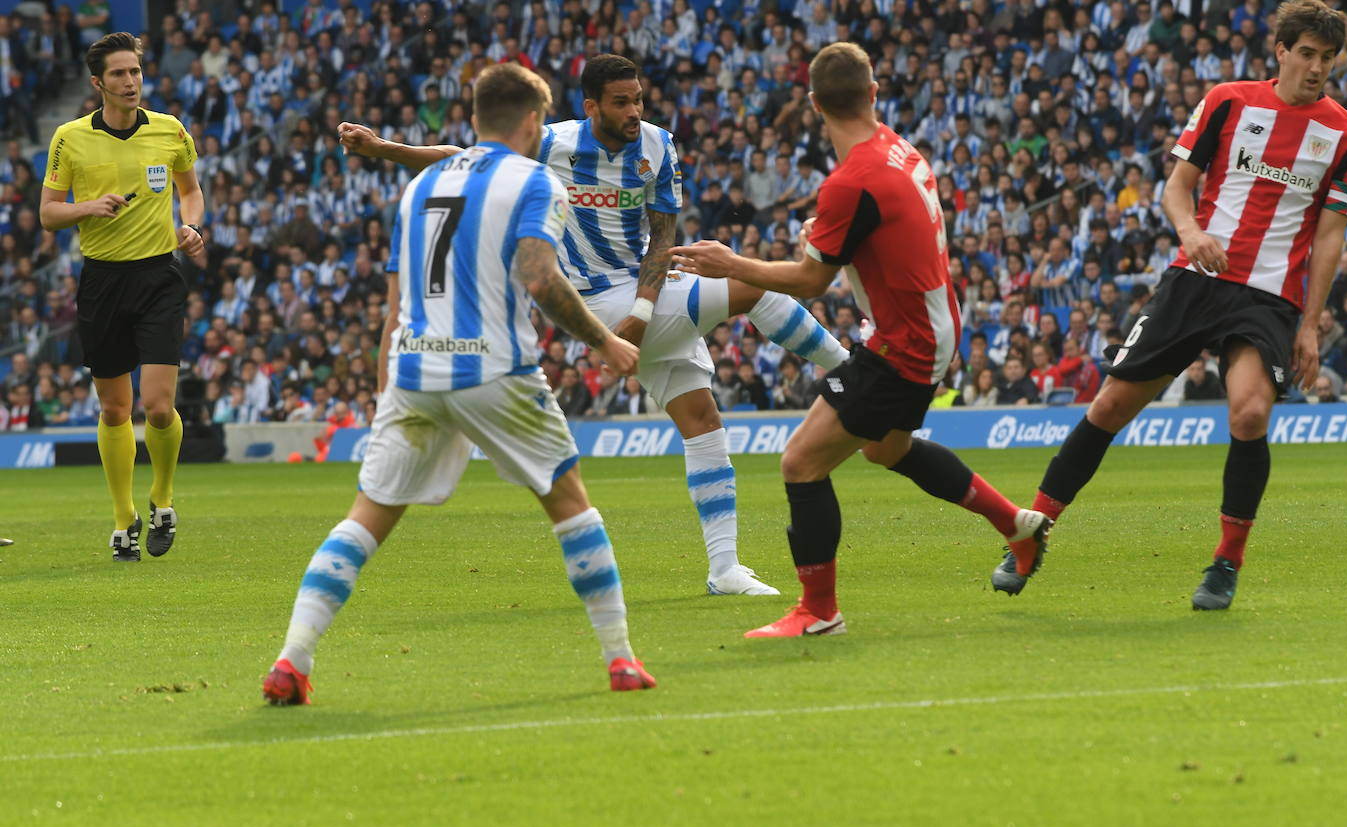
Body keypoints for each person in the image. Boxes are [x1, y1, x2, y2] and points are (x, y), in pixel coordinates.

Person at [339, 54, 850, 598]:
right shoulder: (553, 144)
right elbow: (464, 158)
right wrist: (385, 148)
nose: (634, 111)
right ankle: (853, 372)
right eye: (621, 102)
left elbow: (662, 236)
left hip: (644, 298)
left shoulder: (658, 145)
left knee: (702, 421)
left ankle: (724, 569)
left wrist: (643, 312)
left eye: (639, 100)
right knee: (757, 287)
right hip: (597, 303)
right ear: (592, 107)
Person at [262, 64, 654, 706]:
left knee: (367, 517)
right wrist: (604, 340)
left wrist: (387, 388)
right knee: (570, 503)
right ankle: (621, 660)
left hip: (415, 370)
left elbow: (396, 302)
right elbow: (540, 277)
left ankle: (292, 659)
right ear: (534, 121)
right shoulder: (536, 180)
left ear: (474, 118)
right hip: (494, 369)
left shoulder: (421, 186)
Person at [990, 0, 1347, 610]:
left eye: (1328, 57)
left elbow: (1330, 236)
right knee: (1110, 405)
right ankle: (1031, 533)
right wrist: (1191, 233)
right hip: (1196, 278)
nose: (1317, 67)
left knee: (1250, 413)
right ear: (1281, 51)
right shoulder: (1228, 100)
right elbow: (1176, 188)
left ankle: (1226, 562)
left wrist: (1310, 325)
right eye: (1306, 53)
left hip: (1270, 295)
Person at [670, 43, 1050, 638]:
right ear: (873, 93)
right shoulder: (900, 149)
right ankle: (1017, 526)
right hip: (935, 325)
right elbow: (883, 240)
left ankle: (819, 612)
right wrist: (829, 237)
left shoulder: (851, 182)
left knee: (800, 463)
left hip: (905, 342)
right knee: (886, 450)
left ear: (815, 104)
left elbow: (811, 282)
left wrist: (732, 264)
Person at [38, 31, 206, 562]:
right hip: (103, 281)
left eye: (134, 71)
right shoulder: (69, 138)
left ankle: (163, 501)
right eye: (119, 73)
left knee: (158, 406)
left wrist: (193, 226)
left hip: (158, 277)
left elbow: (190, 190)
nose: (130, 81)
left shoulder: (169, 129)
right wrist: (87, 207)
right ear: (98, 83)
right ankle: (122, 519)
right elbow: (48, 213)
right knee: (115, 411)